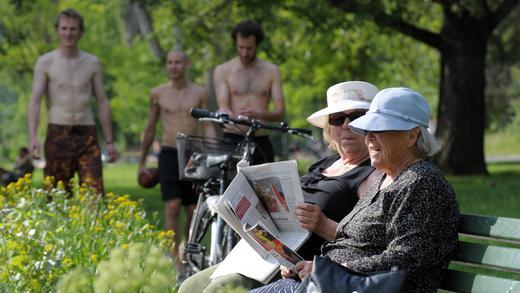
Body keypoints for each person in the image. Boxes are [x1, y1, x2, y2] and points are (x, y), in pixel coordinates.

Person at [251, 87, 460, 293]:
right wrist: (305, 266)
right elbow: (349, 240)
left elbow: (406, 257)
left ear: (412, 136)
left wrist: (331, 270)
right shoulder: (386, 179)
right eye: (368, 130)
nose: (369, 137)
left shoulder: (422, 183)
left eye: (379, 130)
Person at [178, 81, 380, 292]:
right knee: (189, 286)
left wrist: (323, 225)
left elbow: (368, 241)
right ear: (330, 128)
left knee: (217, 289)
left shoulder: (372, 174)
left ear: (372, 124)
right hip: (266, 252)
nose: (346, 126)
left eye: (356, 116)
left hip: (302, 265)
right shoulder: (325, 163)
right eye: (337, 119)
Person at [138, 49, 214, 281]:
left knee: (192, 210)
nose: (173, 66)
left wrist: (212, 153)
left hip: (194, 152)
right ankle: (173, 260)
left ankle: (185, 251)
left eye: (178, 62)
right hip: (169, 153)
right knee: (171, 207)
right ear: (166, 66)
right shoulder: (158, 93)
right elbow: (150, 128)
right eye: (170, 62)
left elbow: (208, 124)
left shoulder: (199, 92)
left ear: (186, 64)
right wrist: (141, 161)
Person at [27, 9, 117, 196]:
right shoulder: (46, 62)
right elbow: (35, 101)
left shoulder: (92, 62)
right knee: (57, 197)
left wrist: (109, 141)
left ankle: (93, 225)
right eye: (64, 28)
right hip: (58, 133)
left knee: (94, 195)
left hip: (87, 135)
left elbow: (102, 102)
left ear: (81, 32)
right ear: (57, 30)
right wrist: (33, 137)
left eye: (73, 29)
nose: (68, 33)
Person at [214, 20, 285, 164]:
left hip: (260, 139)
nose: (244, 53)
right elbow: (223, 105)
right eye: (240, 47)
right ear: (235, 43)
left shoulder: (271, 71)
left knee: (264, 186)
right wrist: (225, 114)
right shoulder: (223, 71)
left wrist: (257, 114)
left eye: (249, 48)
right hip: (232, 138)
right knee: (228, 186)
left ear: (257, 45)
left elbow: (280, 112)